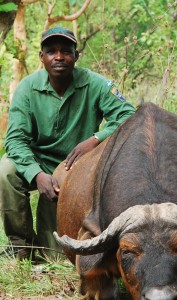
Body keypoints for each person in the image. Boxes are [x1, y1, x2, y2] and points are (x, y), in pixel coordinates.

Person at [0, 27, 136, 260]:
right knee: (5, 171)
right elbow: (15, 140)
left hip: (76, 164)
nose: (59, 57)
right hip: (37, 160)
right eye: (51, 51)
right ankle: (20, 244)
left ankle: (47, 248)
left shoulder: (96, 84)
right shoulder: (27, 88)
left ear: (76, 56)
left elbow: (130, 117)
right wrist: (36, 174)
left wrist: (95, 140)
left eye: (66, 51)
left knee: (54, 257)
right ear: (42, 57)